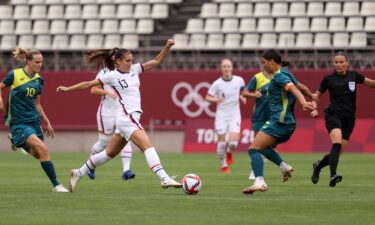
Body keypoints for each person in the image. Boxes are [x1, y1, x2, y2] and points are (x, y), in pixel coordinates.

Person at [56, 39, 182, 192]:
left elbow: (156, 61)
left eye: (132, 60)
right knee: (147, 146)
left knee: (109, 153)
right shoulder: (112, 76)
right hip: (127, 118)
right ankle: (164, 178)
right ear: (118, 61)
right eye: (128, 60)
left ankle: (79, 172)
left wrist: (167, 47)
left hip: (127, 119)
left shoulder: (135, 69)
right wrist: (68, 89)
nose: (131, 63)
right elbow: (89, 84)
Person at [242, 50, 315, 194]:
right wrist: (312, 97)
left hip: (279, 121)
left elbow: (293, 88)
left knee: (253, 149)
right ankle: (283, 166)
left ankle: (259, 181)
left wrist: (304, 102)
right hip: (287, 123)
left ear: (272, 62)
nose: (263, 66)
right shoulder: (287, 72)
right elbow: (300, 86)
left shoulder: (280, 75)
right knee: (262, 147)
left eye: (264, 63)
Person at [0, 47, 68, 192]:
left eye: (41, 62)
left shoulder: (39, 80)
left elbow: (37, 104)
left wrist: (47, 121)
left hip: (34, 122)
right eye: (37, 62)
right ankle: (57, 185)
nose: (40, 64)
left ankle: (15, 140)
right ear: (28, 61)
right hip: (19, 123)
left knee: (39, 154)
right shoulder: (15, 75)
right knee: (44, 150)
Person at [310, 51, 375, 187]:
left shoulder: (354, 76)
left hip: (349, 118)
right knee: (337, 142)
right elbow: (317, 96)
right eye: (336, 62)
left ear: (347, 63)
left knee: (337, 153)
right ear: (333, 64)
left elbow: (371, 83)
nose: (338, 65)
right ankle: (333, 175)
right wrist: (314, 107)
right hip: (333, 114)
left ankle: (318, 166)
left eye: (341, 62)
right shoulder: (328, 79)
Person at [87, 68, 135, 181]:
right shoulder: (104, 72)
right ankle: (90, 165)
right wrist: (107, 92)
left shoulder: (128, 70)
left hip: (122, 111)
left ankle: (126, 170)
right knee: (103, 142)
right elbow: (93, 89)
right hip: (106, 113)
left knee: (125, 137)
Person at [205, 58, 246, 173]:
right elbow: (207, 97)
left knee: (233, 143)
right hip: (221, 116)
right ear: (221, 68)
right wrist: (217, 99)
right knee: (221, 143)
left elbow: (244, 91)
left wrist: (243, 96)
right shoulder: (217, 83)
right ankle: (224, 165)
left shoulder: (239, 80)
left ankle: (229, 152)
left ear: (232, 68)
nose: (226, 68)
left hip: (234, 115)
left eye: (228, 66)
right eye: (224, 66)